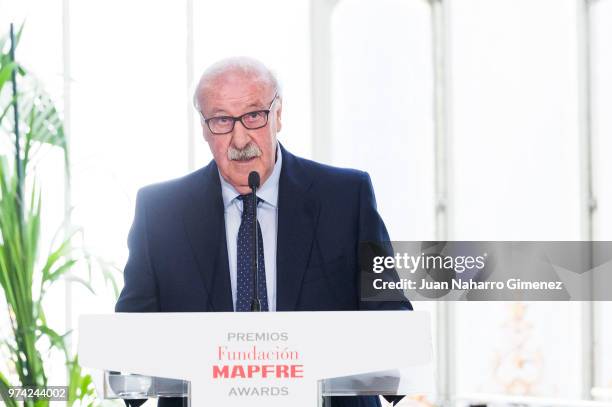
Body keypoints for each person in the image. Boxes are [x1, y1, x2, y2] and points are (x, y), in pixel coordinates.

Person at [115, 57, 411, 407]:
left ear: (279, 115)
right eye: (222, 120)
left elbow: (393, 325)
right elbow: (129, 356)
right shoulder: (160, 212)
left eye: (254, 115)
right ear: (204, 128)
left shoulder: (346, 197)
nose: (240, 138)